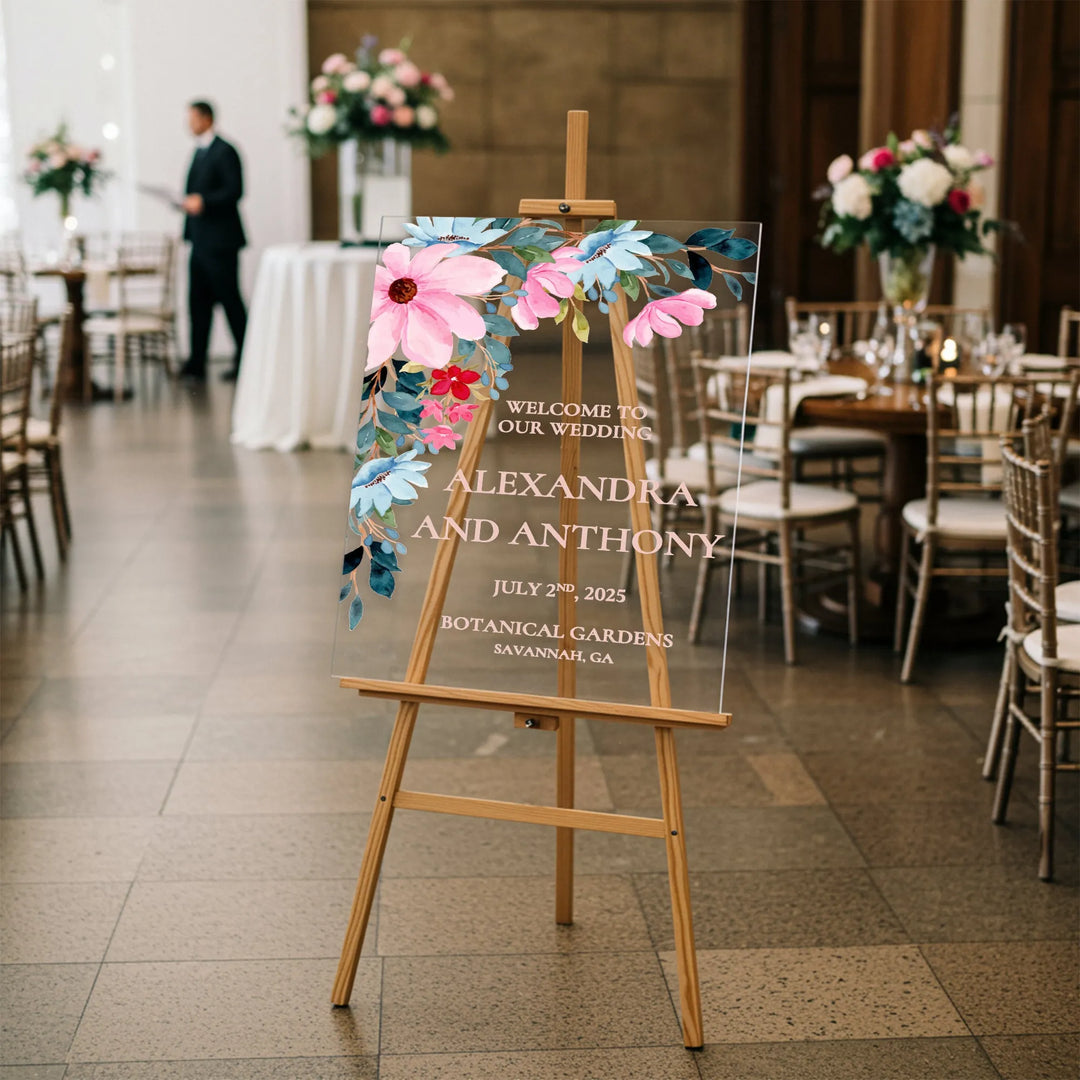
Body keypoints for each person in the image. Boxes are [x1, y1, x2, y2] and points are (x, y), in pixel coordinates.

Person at [179, 101, 248, 382]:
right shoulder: (199, 151)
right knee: (197, 302)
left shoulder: (225, 150)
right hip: (199, 240)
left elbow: (235, 191)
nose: (189, 123)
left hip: (221, 242)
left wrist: (203, 201)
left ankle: (244, 359)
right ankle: (196, 361)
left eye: (192, 118)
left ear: (206, 118)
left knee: (230, 301)